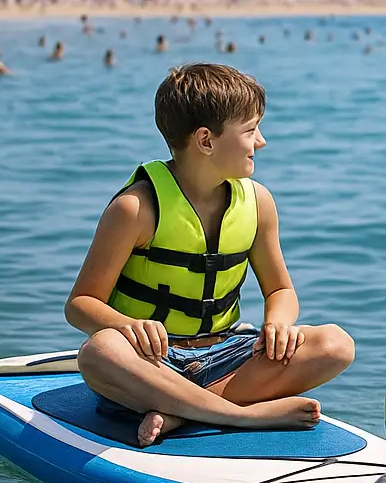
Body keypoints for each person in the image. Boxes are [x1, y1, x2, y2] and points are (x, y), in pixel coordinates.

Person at [66, 63, 356, 446]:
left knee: (335, 345)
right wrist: (125, 325)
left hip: (223, 355)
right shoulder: (137, 209)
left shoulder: (258, 203)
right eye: (251, 130)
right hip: (151, 362)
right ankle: (239, 415)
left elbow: (280, 290)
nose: (262, 141)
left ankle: (180, 412)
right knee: (99, 352)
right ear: (206, 140)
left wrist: (278, 323)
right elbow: (81, 305)